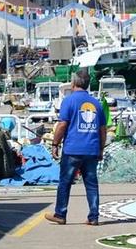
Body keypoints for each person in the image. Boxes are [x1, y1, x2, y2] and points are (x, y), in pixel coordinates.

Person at [44, 71, 105, 225]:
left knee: (65, 182)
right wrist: (101, 149)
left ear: (73, 84)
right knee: (91, 184)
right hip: (91, 149)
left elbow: (62, 125)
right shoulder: (96, 103)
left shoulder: (68, 101)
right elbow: (102, 129)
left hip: (72, 149)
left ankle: (60, 214)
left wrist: (55, 144)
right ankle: (94, 216)